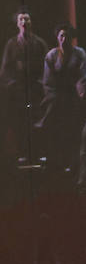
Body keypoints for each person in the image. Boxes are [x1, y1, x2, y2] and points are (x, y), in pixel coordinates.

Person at [38, 24, 86, 173]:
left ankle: (75, 162)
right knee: (53, 126)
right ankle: (55, 160)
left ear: (72, 38)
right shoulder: (51, 55)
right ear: (57, 38)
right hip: (57, 97)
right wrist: (54, 97)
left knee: (76, 129)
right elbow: (47, 81)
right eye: (61, 36)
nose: (64, 39)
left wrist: (82, 93)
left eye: (67, 36)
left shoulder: (79, 53)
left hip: (75, 98)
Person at [1, 9, 48, 162]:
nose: (24, 23)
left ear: (31, 22)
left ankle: (39, 152)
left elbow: (47, 67)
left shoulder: (40, 43)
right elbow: (5, 69)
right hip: (18, 91)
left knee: (37, 120)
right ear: (17, 24)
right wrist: (12, 84)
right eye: (21, 20)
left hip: (36, 89)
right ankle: (23, 153)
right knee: (20, 122)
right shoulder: (11, 44)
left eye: (26, 19)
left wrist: (42, 83)